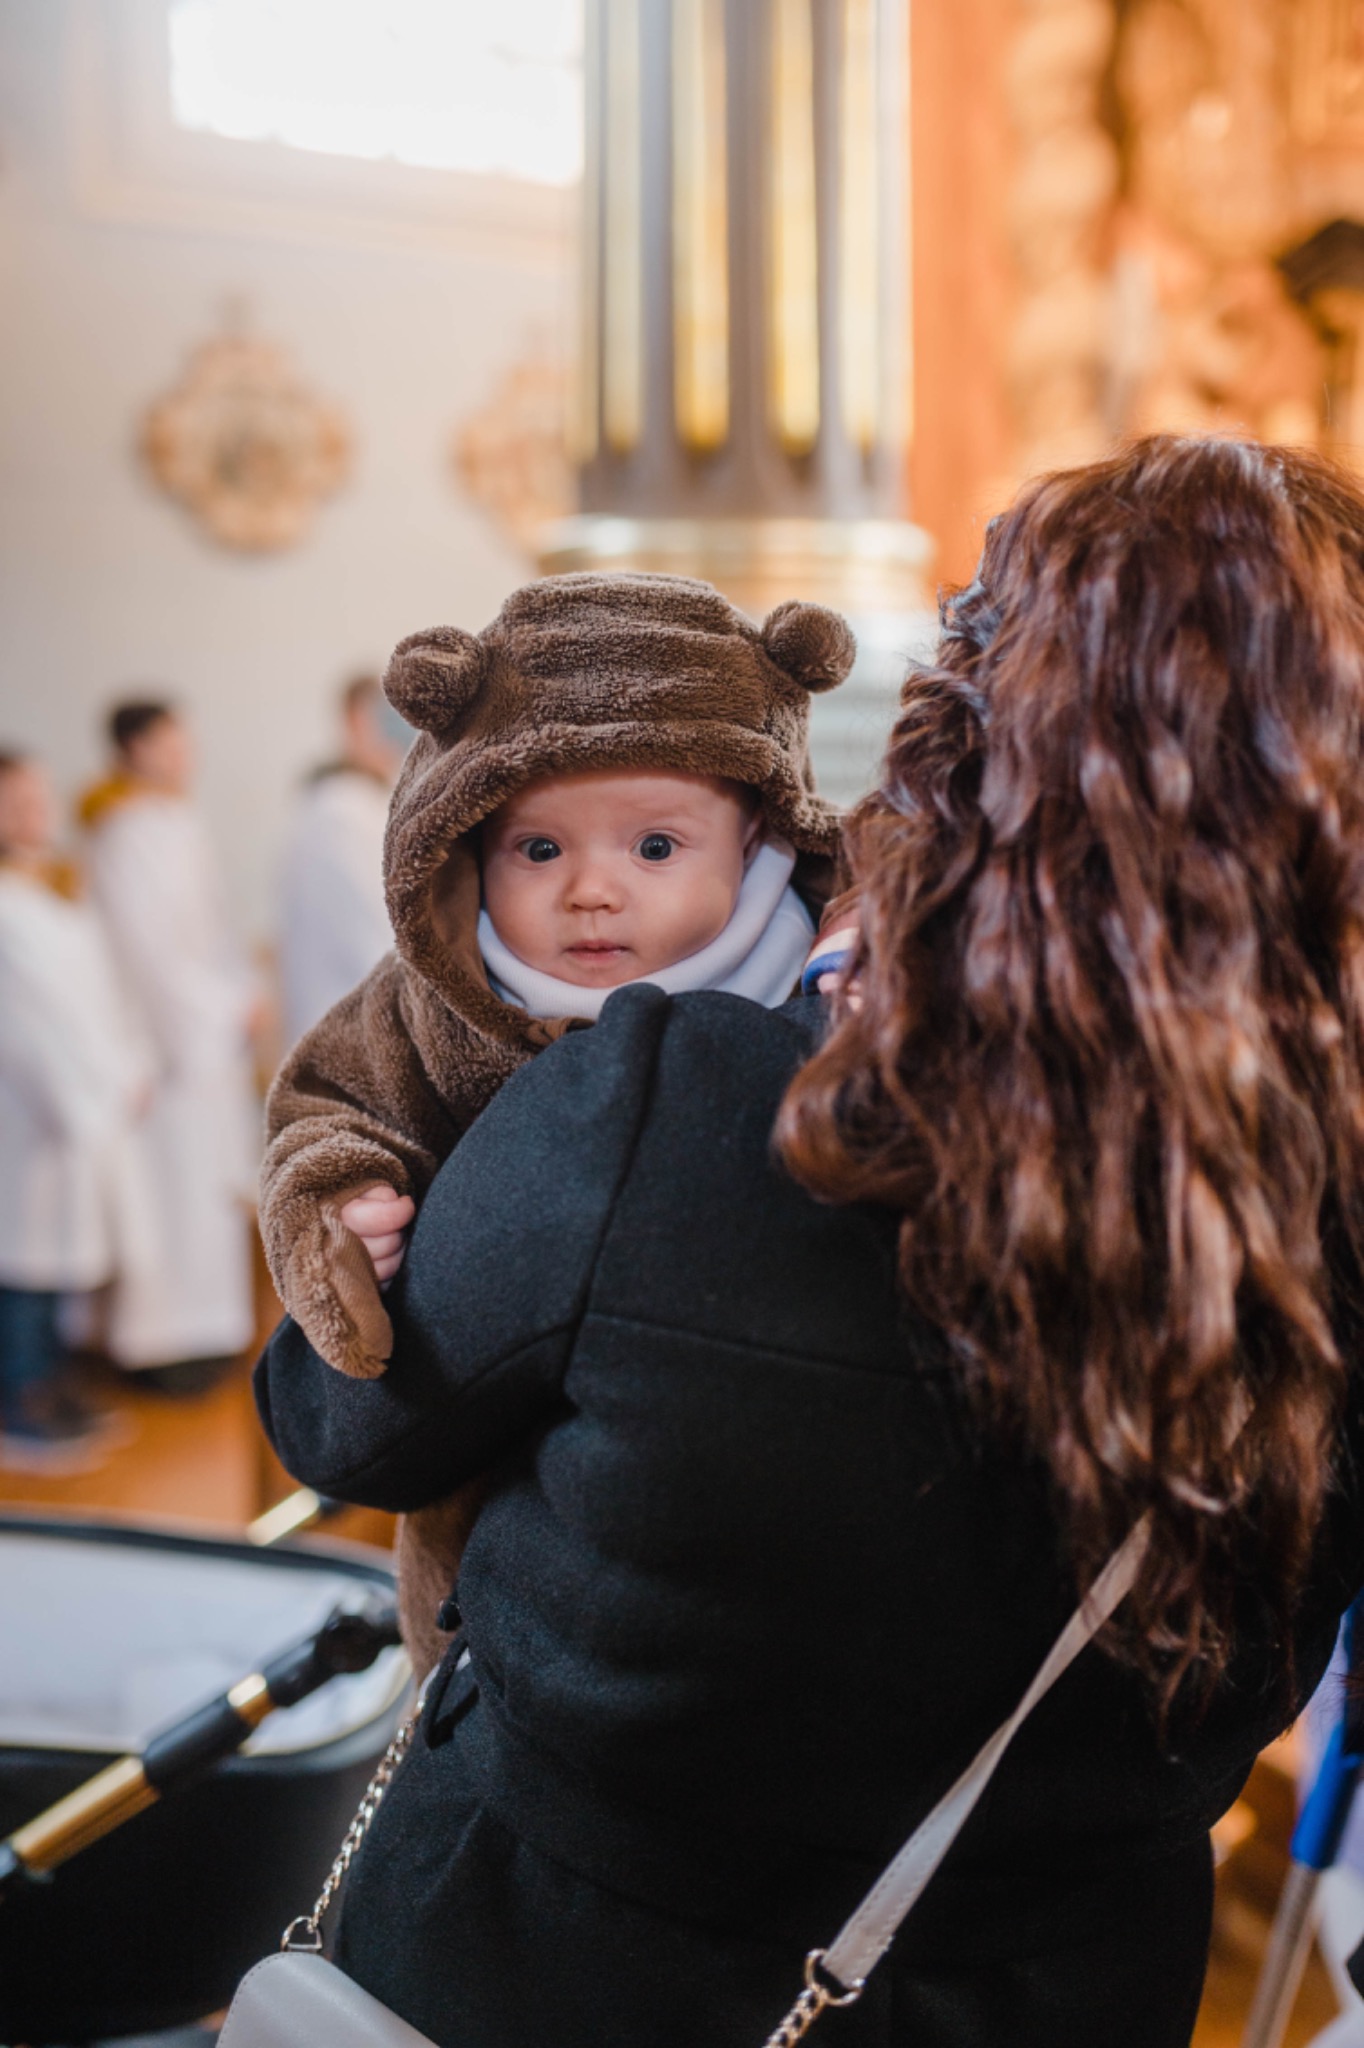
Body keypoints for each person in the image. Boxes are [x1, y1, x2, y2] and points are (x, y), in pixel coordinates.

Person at [256, 437, 1364, 2048]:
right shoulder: (1325, 1213)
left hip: (559, 1968)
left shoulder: (674, 1095)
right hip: (1060, 1988)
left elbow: (340, 1418)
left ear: (954, 741)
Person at [259, 571, 855, 1667]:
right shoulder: (432, 1000)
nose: (590, 889)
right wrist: (345, 1204)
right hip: (491, 1536)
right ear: (468, 840)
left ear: (759, 836)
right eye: (540, 849)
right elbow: (328, 1101)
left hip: (771, 1509)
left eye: (655, 848)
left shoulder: (827, 990)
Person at [79, 700, 259, 1392]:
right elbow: (148, 956)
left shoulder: (177, 820)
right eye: (171, 738)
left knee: (205, 1196)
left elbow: (212, 932)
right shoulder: (124, 833)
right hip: (168, 1049)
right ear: (136, 746)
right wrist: (214, 1013)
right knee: (169, 1196)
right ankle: (162, 1347)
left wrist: (241, 992)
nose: (187, 750)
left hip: (207, 1037)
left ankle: (207, 1335)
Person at [0, 751, 150, 1469]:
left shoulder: (55, 890)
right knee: (23, 1264)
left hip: (83, 1103)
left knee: (54, 1262)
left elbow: (99, 998)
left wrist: (125, 1072)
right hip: (32, 1117)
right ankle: (22, 1403)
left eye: (38, 793)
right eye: (16, 797)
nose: (34, 808)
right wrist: (85, 1102)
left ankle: (52, 1386)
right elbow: (27, 1027)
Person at [278, 673, 406, 1049]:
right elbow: (383, 939)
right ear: (354, 722)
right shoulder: (343, 815)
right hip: (355, 1036)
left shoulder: (365, 805)